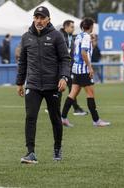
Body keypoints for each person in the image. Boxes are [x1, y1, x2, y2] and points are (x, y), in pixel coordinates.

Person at [16, 6, 70, 163]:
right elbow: (23, 62)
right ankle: (30, 152)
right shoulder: (26, 37)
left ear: (48, 20)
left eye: (42, 18)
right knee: (30, 117)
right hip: (32, 85)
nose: (39, 21)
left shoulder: (57, 36)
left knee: (55, 118)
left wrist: (64, 77)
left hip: (53, 85)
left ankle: (57, 148)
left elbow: (65, 59)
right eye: (36, 17)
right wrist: (20, 82)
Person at [61, 17, 110, 128]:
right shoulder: (87, 37)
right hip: (83, 70)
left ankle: (63, 118)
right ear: (91, 26)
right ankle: (96, 120)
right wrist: (90, 67)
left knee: (72, 94)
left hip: (76, 69)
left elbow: (77, 51)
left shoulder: (79, 36)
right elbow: (83, 53)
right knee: (90, 94)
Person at [60, 20, 88, 116]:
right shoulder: (60, 37)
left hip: (68, 67)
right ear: (66, 27)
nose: (73, 29)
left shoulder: (70, 37)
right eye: (72, 27)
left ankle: (75, 108)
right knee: (69, 88)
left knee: (70, 88)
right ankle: (75, 108)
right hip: (62, 68)